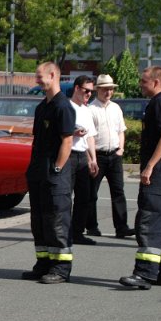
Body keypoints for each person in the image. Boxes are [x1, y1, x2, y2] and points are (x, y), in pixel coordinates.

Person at [120, 66, 161, 289]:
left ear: (156, 83)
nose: (140, 84)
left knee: (149, 221)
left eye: (144, 81)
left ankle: (144, 274)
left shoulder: (160, 104)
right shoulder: (160, 104)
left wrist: (150, 166)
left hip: (159, 173)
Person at [23, 62, 75, 284]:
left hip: (55, 175)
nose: (36, 80)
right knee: (40, 221)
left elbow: (67, 141)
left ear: (52, 75)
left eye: (39, 76)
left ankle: (60, 268)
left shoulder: (63, 107)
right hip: (39, 173)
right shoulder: (42, 107)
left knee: (57, 222)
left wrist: (57, 168)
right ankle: (43, 264)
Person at [86, 74, 134, 239]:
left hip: (114, 154)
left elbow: (121, 130)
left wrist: (121, 149)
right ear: (98, 90)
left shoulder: (116, 108)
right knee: (92, 193)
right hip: (98, 155)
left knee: (118, 191)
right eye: (105, 89)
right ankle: (91, 226)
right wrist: (91, 158)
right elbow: (89, 136)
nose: (108, 92)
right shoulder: (91, 109)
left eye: (111, 89)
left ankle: (121, 227)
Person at [69, 76, 99, 245]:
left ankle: (77, 232)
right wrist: (72, 132)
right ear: (76, 88)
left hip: (82, 155)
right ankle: (64, 232)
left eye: (91, 92)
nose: (89, 94)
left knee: (84, 196)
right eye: (86, 90)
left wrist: (93, 159)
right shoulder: (67, 107)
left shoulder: (87, 110)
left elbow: (90, 137)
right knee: (66, 196)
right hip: (69, 154)